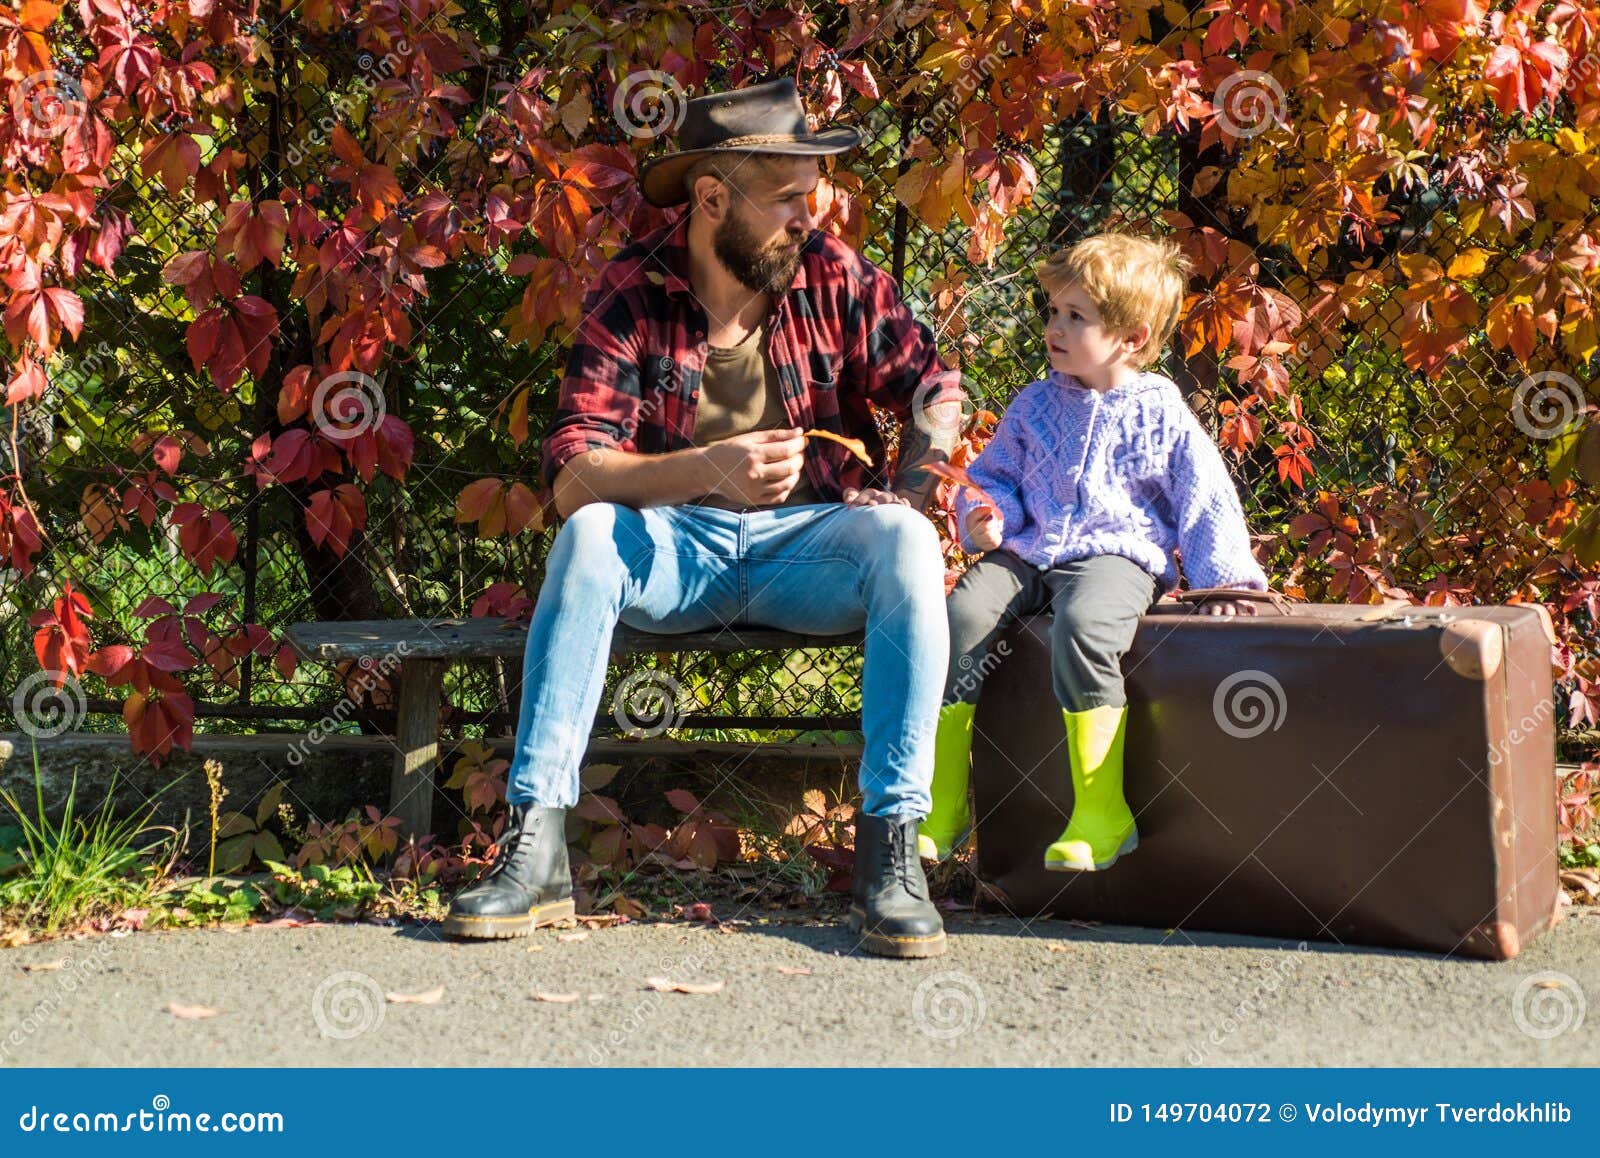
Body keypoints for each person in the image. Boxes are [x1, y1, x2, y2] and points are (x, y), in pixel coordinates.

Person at [443, 77, 966, 958]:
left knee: (908, 545)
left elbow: (936, 389)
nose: (810, 216)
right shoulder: (633, 290)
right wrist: (703, 469)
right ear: (712, 198)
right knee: (588, 536)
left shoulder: (834, 274)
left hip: (811, 548)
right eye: (789, 199)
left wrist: (909, 491)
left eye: (817, 195)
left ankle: (889, 857)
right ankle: (536, 849)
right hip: (675, 553)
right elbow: (574, 475)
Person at [918, 233, 1270, 871]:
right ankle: (942, 805)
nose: (1054, 327)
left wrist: (1225, 582)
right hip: (1031, 549)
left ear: (1132, 337)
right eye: (1053, 312)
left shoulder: (1159, 409)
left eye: (1075, 317)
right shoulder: (1035, 402)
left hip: (1116, 554)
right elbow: (994, 476)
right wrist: (987, 515)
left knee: (1083, 627)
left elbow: (1204, 492)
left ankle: (1102, 813)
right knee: (962, 616)